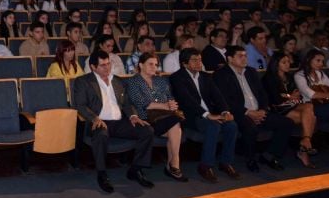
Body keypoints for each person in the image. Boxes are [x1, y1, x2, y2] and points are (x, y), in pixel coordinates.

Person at [73, 51, 154, 193]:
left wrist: (133, 116)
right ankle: (102, 173)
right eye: (102, 65)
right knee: (101, 135)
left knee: (147, 131)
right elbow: (80, 105)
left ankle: (136, 169)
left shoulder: (118, 80)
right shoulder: (83, 82)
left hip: (119, 122)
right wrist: (94, 118)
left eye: (108, 64)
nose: (107, 68)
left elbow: (127, 103)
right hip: (98, 122)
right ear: (93, 67)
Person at [213, 45, 293, 172]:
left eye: (245, 56)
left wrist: (262, 110)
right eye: (240, 56)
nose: (244, 58)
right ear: (230, 59)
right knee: (250, 128)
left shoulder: (251, 71)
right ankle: (250, 159)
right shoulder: (221, 75)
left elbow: (262, 94)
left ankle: (269, 155)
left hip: (258, 111)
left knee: (286, 123)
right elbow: (226, 101)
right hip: (239, 113)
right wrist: (248, 112)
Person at [170, 49, 240, 183]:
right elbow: (187, 101)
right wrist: (207, 115)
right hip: (191, 116)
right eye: (194, 60)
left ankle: (226, 162)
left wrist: (225, 111)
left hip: (210, 114)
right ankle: (205, 166)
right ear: (184, 64)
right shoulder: (177, 78)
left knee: (231, 125)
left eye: (200, 60)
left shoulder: (205, 76)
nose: (198, 63)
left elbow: (218, 96)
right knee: (212, 125)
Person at [126, 53, 187, 182]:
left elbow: (170, 98)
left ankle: (173, 164)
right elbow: (141, 103)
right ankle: (174, 164)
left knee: (174, 126)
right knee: (175, 124)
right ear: (141, 65)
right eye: (150, 64)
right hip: (146, 119)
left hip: (166, 118)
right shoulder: (132, 82)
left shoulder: (161, 81)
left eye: (156, 65)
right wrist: (165, 105)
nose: (154, 67)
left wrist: (171, 104)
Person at [262, 53, 317, 168]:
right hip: (277, 109)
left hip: (291, 105)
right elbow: (275, 98)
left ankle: (305, 141)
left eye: (288, 62)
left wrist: (290, 96)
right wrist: (289, 96)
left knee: (309, 107)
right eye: (284, 62)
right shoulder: (269, 78)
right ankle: (304, 148)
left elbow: (297, 95)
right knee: (311, 118)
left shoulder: (289, 77)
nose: (288, 64)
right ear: (276, 64)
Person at [293, 49, 329, 164]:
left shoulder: (320, 74)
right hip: (311, 108)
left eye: (322, 61)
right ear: (309, 60)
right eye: (318, 60)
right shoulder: (299, 75)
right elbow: (311, 94)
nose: (321, 64)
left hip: (326, 107)